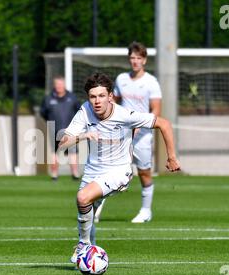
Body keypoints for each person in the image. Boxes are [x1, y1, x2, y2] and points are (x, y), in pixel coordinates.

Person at [58, 73, 180, 263]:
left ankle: (83, 245)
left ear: (110, 97)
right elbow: (62, 143)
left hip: (118, 171)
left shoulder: (124, 115)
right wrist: (84, 135)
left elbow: (164, 124)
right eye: (92, 96)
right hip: (92, 171)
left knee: (83, 197)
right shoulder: (85, 110)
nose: (97, 101)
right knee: (86, 208)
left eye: (101, 96)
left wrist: (171, 156)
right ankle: (88, 253)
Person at [103, 41, 163, 224]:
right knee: (108, 169)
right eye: (132, 58)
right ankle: (96, 206)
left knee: (144, 173)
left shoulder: (151, 82)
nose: (135, 61)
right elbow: (114, 101)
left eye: (138, 58)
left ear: (144, 60)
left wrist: (140, 126)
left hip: (143, 137)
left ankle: (146, 211)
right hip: (121, 135)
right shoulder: (121, 79)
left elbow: (156, 111)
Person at [40, 76, 81, 180]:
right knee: (54, 152)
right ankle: (54, 175)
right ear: (54, 85)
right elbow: (43, 112)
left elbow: (78, 111)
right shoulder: (48, 98)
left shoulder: (72, 97)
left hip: (70, 130)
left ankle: (75, 174)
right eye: (57, 84)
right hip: (54, 128)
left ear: (64, 85)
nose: (59, 86)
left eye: (61, 84)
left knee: (72, 151)